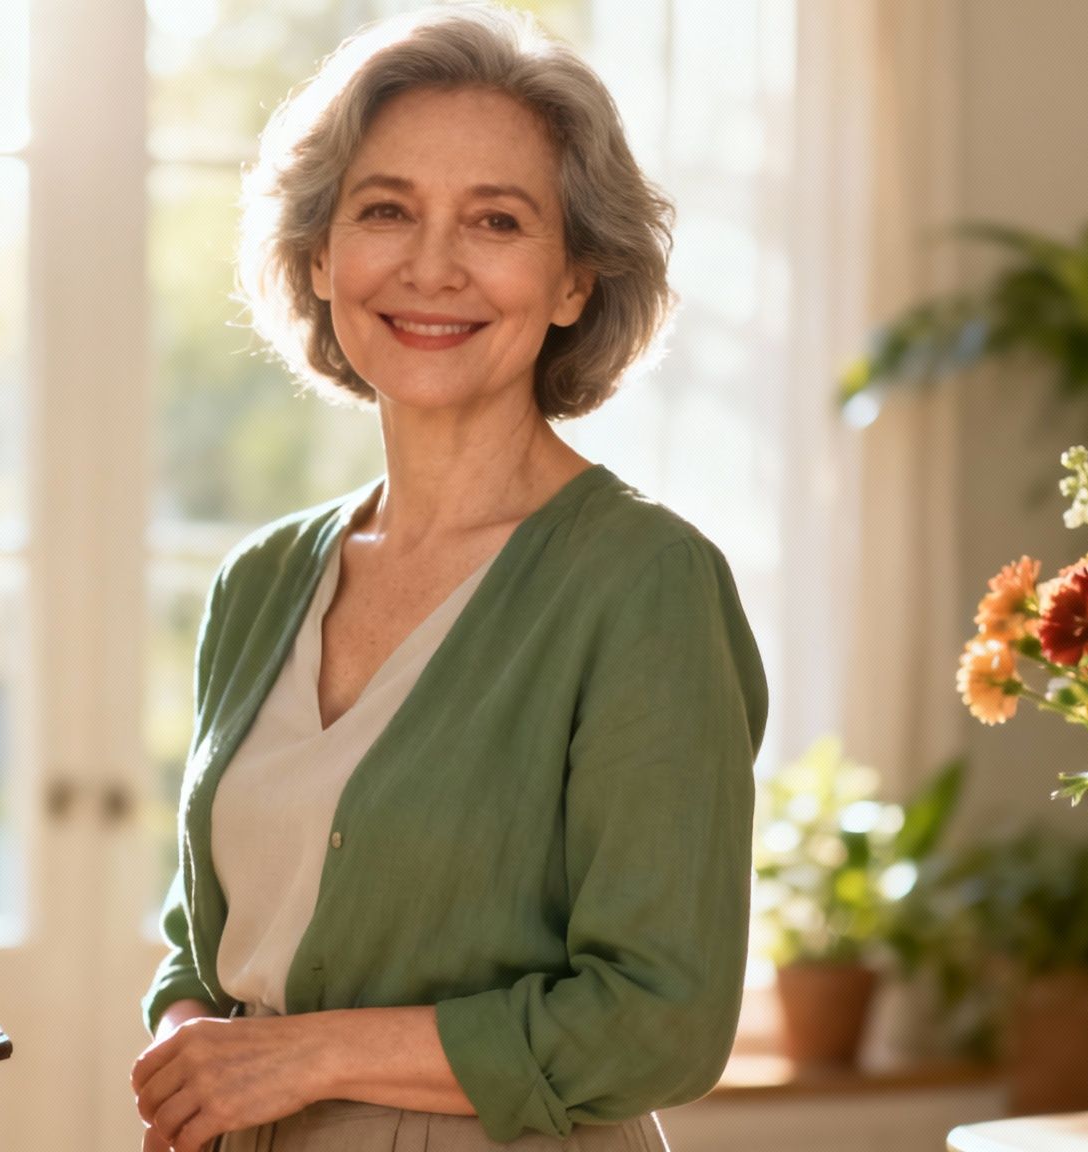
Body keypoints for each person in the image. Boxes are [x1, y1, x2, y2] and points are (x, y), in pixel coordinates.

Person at [130, 6, 768, 1150]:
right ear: (320, 257)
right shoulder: (259, 582)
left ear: (574, 279)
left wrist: (304, 1055)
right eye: (385, 210)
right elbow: (206, 928)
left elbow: (660, 1020)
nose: (431, 266)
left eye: (496, 220)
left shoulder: (644, 586)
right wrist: (196, 1046)